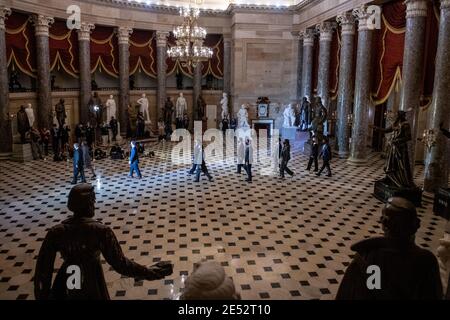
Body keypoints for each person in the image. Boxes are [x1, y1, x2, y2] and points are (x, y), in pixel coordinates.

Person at [34, 183, 173, 300]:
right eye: (92, 202)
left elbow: (43, 271)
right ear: (87, 204)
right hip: (91, 279)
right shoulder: (99, 231)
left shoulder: (57, 232)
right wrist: (151, 272)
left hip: (69, 276)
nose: (94, 205)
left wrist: (43, 296)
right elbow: (121, 264)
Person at [336, 197, 443, 300]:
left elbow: (348, 293)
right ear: (413, 226)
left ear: (384, 224)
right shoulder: (426, 261)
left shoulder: (367, 257)